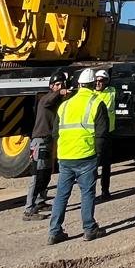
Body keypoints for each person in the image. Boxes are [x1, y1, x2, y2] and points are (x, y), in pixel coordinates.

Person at [47, 69, 110, 244]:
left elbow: (55, 133)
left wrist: (61, 152)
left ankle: (54, 232)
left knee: (61, 195)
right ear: (93, 85)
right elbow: (101, 134)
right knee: (87, 193)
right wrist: (98, 154)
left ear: (79, 85)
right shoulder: (97, 103)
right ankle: (89, 229)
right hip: (86, 156)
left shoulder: (65, 105)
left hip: (66, 157)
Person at [21, 70, 70, 221]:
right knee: (37, 175)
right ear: (51, 86)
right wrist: (60, 92)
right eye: (57, 84)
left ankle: (40, 201)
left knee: (47, 173)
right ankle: (28, 210)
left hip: (49, 140)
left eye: (62, 84)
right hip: (40, 141)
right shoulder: (46, 99)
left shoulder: (56, 101)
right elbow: (49, 100)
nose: (60, 86)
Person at [92, 67, 117, 199]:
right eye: (96, 81)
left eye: (101, 81)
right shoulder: (91, 94)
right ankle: (91, 192)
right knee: (93, 165)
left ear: (106, 81)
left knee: (106, 165)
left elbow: (126, 96)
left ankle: (105, 191)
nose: (98, 83)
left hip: (107, 134)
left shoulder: (111, 92)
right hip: (94, 135)